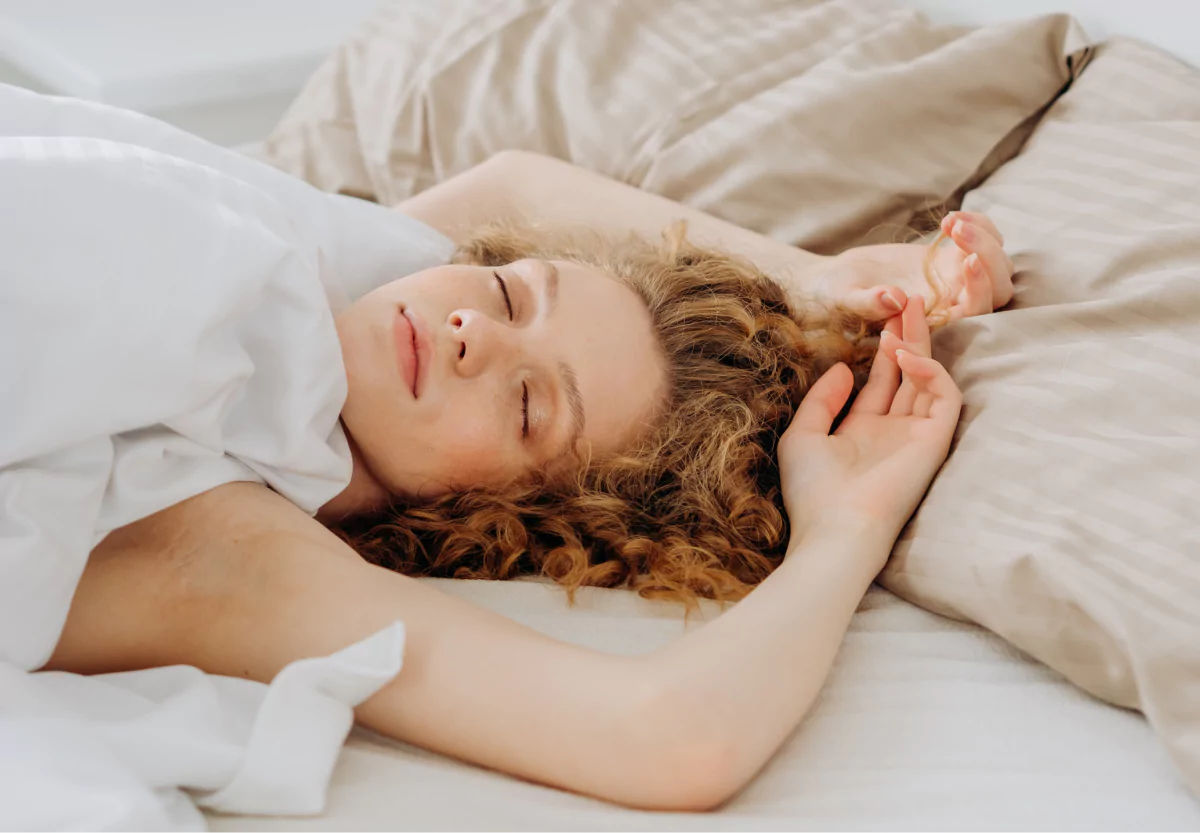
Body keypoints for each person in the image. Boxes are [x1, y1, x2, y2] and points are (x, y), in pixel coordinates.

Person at [43, 150, 1012, 811]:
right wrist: (812, 275)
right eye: (509, 292)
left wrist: (844, 530)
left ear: (496, 508)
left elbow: (669, 738)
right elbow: (507, 188)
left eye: (525, 404)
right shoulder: (332, 288)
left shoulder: (211, 540)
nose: (475, 333)